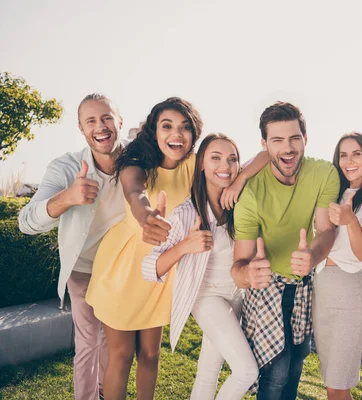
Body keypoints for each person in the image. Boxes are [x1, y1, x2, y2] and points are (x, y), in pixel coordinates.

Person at [85, 97, 202, 400]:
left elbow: (236, 167)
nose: (176, 134)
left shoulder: (194, 165)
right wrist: (147, 216)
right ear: (154, 130)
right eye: (167, 126)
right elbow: (135, 193)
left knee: (150, 355)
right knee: (121, 357)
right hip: (122, 272)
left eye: (184, 127)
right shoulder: (136, 164)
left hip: (158, 273)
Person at [231, 101, 340, 399]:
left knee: (295, 369)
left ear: (306, 138)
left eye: (294, 138)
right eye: (277, 140)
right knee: (276, 375)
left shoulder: (324, 174)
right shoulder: (250, 192)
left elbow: (327, 230)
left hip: (302, 288)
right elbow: (238, 266)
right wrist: (249, 274)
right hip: (266, 290)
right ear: (264, 145)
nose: (288, 148)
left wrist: (313, 256)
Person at [18, 93, 124, 400]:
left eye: (106, 118)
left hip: (121, 271)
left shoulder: (138, 159)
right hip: (83, 268)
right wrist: (68, 197)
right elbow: (26, 221)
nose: (100, 127)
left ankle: (106, 394)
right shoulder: (65, 167)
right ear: (81, 128)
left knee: (114, 345)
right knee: (89, 342)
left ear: (119, 121)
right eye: (91, 121)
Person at [141, 134, 259, 399]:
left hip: (237, 296)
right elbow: (149, 267)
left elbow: (265, 156)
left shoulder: (237, 202)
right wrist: (185, 246)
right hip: (206, 297)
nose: (225, 166)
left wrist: (240, 179)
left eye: (232, 159)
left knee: (209, 372)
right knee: (246, 371)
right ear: (202, 164)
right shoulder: (187, 212)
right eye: (215, 158)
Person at [312, 132, 362, 400]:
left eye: (356, 154)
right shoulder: (337, 193)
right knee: (332, 385)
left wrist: (350, 220)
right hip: (322, 290)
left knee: (339, 386)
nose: (349, 160)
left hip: (349, 295)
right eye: (343, 154)